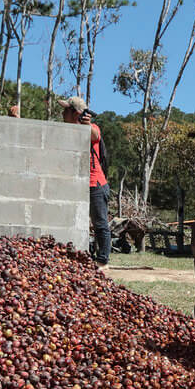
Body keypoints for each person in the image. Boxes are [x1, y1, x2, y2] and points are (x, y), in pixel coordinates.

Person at [62, 95, 111, 266]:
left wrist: (87, 124)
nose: (62, 113)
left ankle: (103, 260)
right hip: (79, 184)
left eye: (65, 110)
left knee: (100, 223)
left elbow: (95, 135)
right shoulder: (66, 131)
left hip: (95, 184)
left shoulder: (90, 128)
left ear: (75, 113)